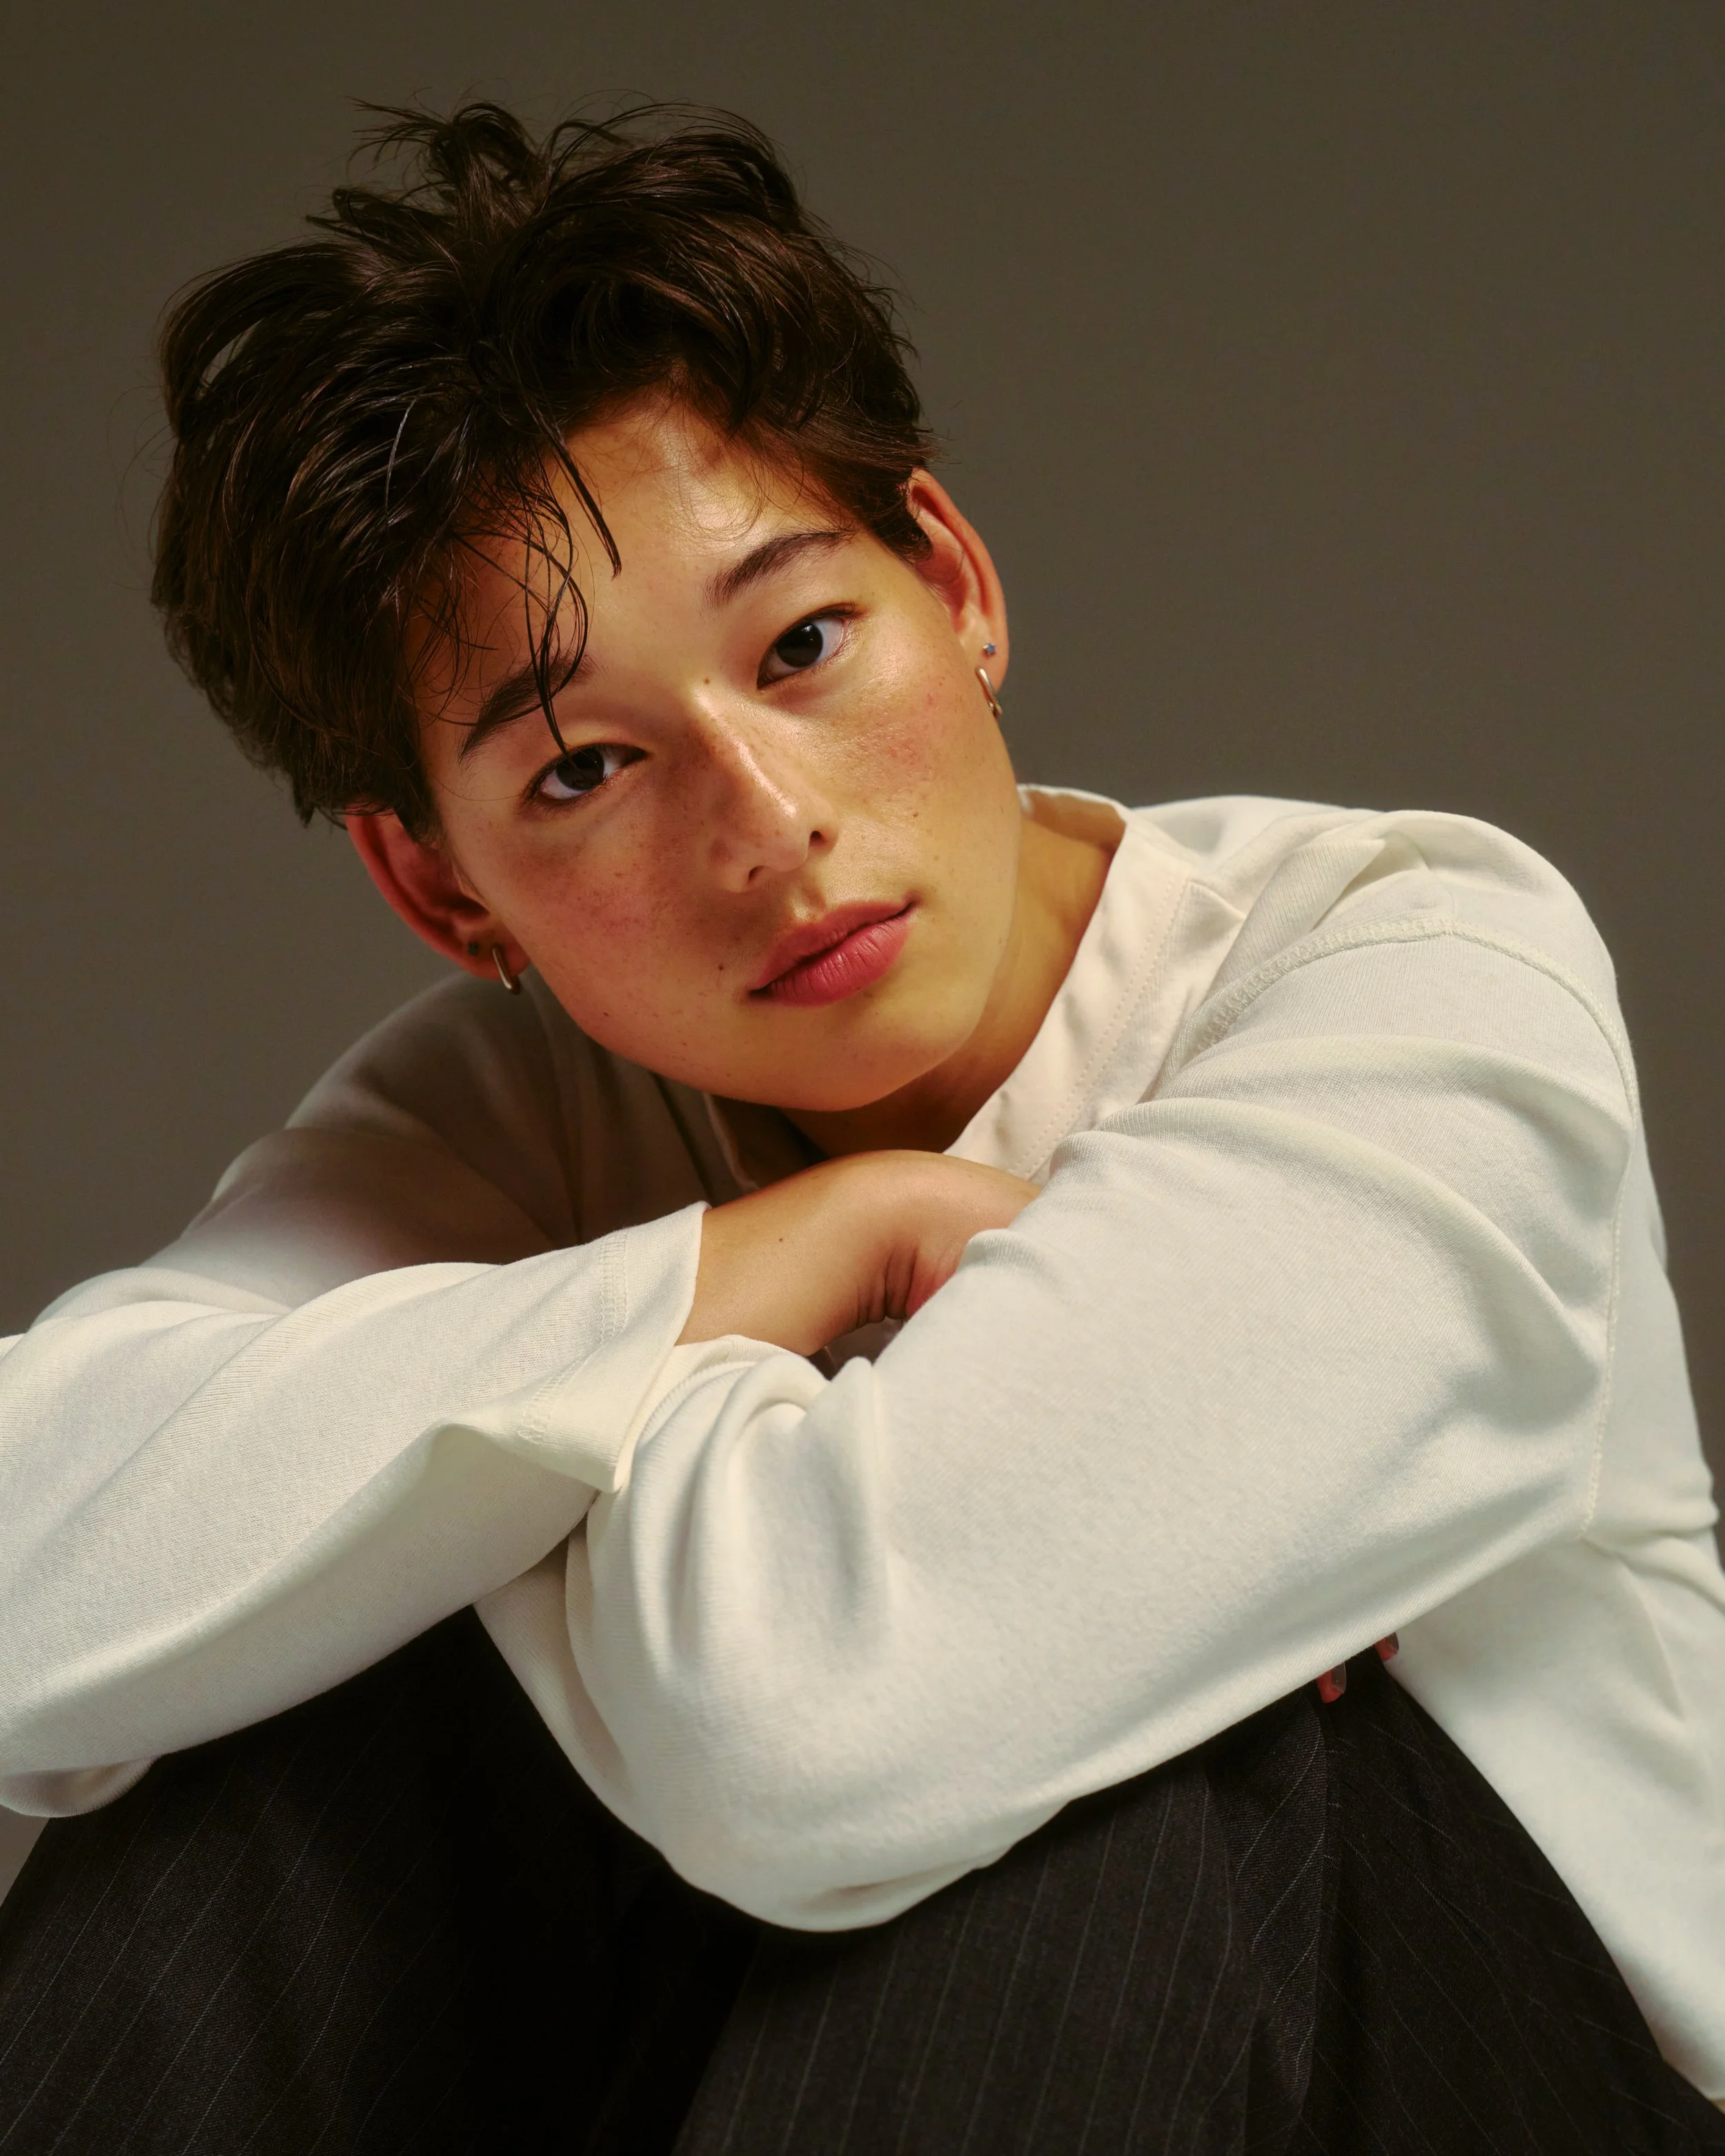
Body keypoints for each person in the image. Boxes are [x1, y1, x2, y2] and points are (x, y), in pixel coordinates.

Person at [0, 101, 1722, 2154]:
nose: (768, 823)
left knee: (1080, 1748)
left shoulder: (1408, 968)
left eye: (803, 645)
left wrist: (487, 1453)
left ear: (954, 583)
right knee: (272, 1689)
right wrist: (772, 1260)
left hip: (1502, 2071)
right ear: (441, 889)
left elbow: (811, 1730)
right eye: (582, 771)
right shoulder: (512, 1112)